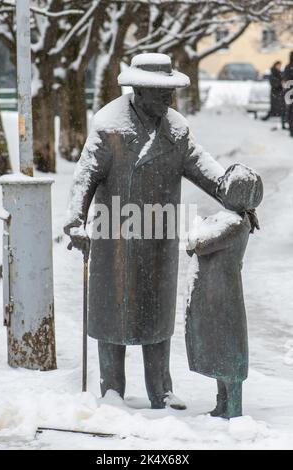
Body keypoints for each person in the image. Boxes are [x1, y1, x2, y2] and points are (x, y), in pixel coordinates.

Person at [64, 53, 225, 410]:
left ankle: (161, 390)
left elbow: (204, 169)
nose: (169, 99)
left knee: (156, 316)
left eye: (170, 92)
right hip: (113, 238)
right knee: (112, 315)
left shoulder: (177, 129)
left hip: (158, 238)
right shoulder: (110, 126)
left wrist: (239, 194)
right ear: (138, 90)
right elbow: (85, 175)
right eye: (161, 92)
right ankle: (112, 391)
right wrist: (75, 221)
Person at [186, 164, 263, 419]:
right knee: (219, 348)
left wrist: (197, 229)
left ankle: (233, 407)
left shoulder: (234, 222)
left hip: (222, 294)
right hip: (216, 292)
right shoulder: (234, 219)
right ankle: (222, 403)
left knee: (228, 351)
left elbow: (199, 243)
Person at [262, 61, 286, 129]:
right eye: (279, 65)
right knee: (276, 107)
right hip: (275, 93)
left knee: (281, 108)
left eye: (280, 65)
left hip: (280, 93)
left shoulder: (280, 73)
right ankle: (282, 121)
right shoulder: (273, 73)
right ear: (276, 65)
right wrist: (280, 83)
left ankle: (283, 122)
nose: (280, 67)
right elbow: (273, 82)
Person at [283, 52, 293, 137]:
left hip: (288, 94)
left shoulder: (287, 67)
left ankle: (291, 129)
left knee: (290, 111)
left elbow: (285, 80)